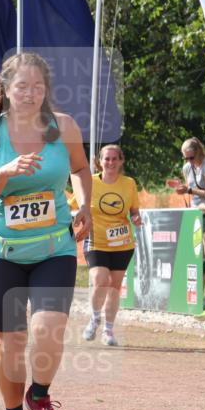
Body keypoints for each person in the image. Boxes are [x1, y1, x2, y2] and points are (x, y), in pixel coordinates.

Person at [0, 52, 91, 410]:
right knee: (12, 342)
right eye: (22, 86)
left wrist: (85, 203)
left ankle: (39, 396)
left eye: (38, 86)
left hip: (54, 246)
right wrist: (5, 172)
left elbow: (80, 169)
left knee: (48, 329)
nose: (30, 93)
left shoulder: (64, 127)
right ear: (6, 88)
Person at [82, 144, 142, 346]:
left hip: (122, 242)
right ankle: (94, 318)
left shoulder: (129, 183)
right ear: (99, 162)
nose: (110, 162)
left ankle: (108, 330)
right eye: (106, 159)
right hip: (96, 240)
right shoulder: (89, 182)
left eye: (114, 159)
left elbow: (133, 210)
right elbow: (75, 204)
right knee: (100, 280)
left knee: (115, 286)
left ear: (121, 161)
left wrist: (136, 218)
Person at [175, 137, 205, 311]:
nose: (188, 161)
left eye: (191, 157)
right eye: (185, 158)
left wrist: (189, 190)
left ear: (199, 152)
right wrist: (183, 189)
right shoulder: (187, 168)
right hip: (195, 212)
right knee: (199, 255)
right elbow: (189, 189)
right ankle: (198, 295)